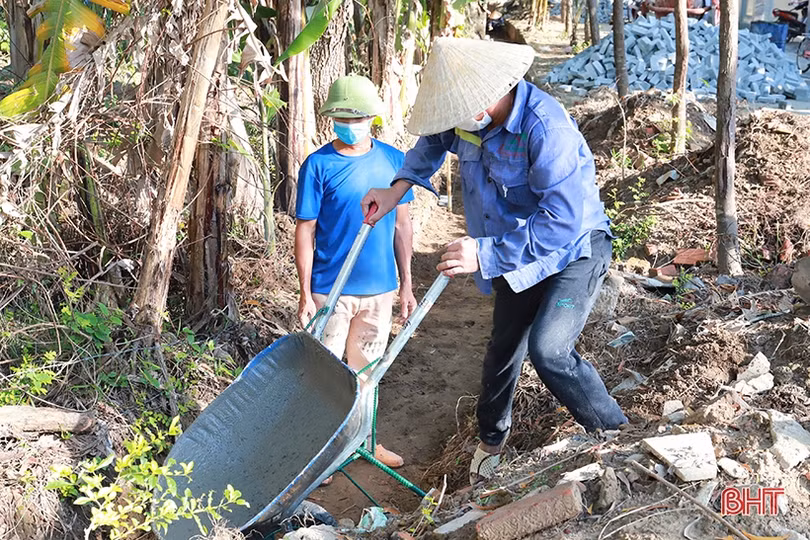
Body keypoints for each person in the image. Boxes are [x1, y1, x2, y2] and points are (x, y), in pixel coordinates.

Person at [361, 38, 628, 485]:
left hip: (573, 252)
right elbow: (430, 144)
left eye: (463, 110)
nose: (459, 120)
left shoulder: (545, 129)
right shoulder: (468, 118)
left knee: (548, 349)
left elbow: (562, 222)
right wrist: (397, 187)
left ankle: (615, 435)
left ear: (495, 91)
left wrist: (483, 253)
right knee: (503, 348)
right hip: (513, 253)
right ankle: (491, 441)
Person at [295, 74, 416, 471]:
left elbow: (402, 226)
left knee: (367, 373)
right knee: (326, 379)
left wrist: (407, 286)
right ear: (331, 118)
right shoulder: (317, 165)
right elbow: (306, 230)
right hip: (331, 289)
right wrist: (304, 293)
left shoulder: (393, 161)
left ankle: (367, 441)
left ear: (371, 118)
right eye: (342, 117)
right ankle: (321, 458)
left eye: (357, 117)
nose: (350, 124)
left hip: (379, 290)